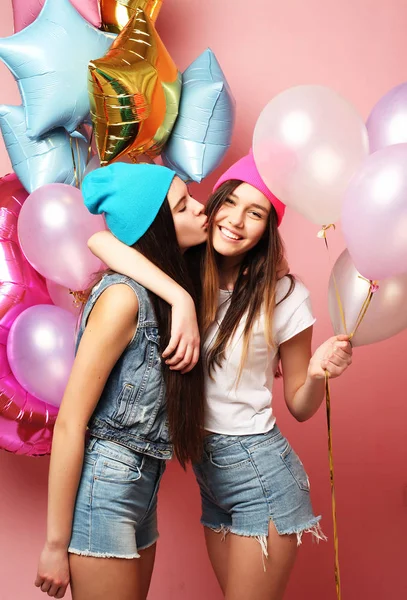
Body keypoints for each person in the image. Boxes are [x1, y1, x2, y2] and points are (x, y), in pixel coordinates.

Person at [88, 151, 353, 600]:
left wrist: (316, 373)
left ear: (267, 230)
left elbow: (300, 407)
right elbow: (101, 242)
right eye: (229, 203)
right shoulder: (183, 272)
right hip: (211, 479)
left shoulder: (285, 296)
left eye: (256, 213)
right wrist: (182, 299)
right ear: (212, 205)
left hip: (262, 475)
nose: (236, 221)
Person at [35, 162, 208, 600]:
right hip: (106, 489)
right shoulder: (122, 299)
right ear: (158, 229)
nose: (201, 210)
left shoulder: (164, 294)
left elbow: (104, 241)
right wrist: (56, 545)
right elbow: (71, 423)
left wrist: (181, 297)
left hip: (142, 488)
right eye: (184, 207)